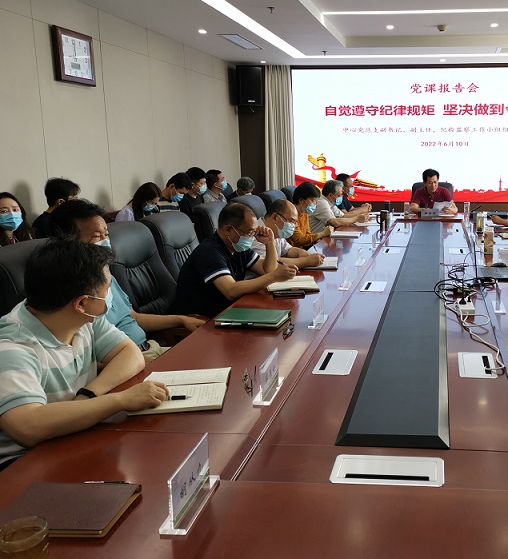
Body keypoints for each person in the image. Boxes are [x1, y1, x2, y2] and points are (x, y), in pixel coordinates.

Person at [0, 238, 168, 468]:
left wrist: (88, 395)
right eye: (107, 289)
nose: (109, 297)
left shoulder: (83, 318)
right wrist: (120, 400)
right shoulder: (12, 347)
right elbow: (27, 428)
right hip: (25, 462)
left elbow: (130, 354)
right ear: (81, 303)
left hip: (75, 435)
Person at [50, 200, 205, 359]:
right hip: (130, 361)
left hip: (149, 348)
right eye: (96, 237)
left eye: (106, 234)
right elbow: (89, 359)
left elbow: (133, 317)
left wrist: (181, 319)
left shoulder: (105, 275)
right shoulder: (70, 296)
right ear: (69, 243)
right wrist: (139, 362)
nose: (105, 241)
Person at [173, 203, 296, 318]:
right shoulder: (209, 251)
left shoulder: (237, 247)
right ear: (228, 230)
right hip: (202, 320)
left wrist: (270, 243)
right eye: (249, 233)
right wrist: (274, 276)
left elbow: (267, 270)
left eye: (253, 233)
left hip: (228, 311)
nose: (251, 238)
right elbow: (230, 291)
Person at [255, 199, 325, 268]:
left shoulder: (276, 230)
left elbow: (287, 250)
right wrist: (307, 261)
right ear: (275, 217)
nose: (294, 226)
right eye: (291, 221)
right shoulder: (257, 234)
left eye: (295, 222)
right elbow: (269, 263)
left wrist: (302, 252)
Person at [288, 182, 334, 249]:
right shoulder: (290, 215)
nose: (315, 204)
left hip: (302, 249)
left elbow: (307, 234)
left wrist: (315, 240)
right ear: (301, 200)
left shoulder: (304, 213)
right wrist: (323, 233)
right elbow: (299, 240)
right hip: (292, 251)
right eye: (313, 201)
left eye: (316, 202)